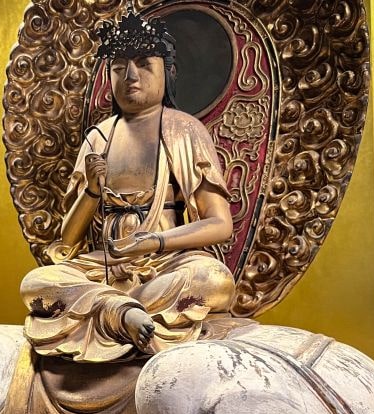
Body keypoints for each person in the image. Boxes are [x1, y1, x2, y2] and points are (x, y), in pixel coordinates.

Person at [19, 10, 236, 362]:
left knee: (214, 280)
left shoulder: (184, 130)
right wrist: (91, 189)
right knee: (36, 283)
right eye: (119, 67)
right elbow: (68, 240)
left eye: (143, 64)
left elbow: (220, 223)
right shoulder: (99, 137)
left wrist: (157, 241)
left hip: (167, 265)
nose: (131, 76)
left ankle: (109, 314)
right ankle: (120, 312)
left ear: (167, 72)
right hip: (105, 267)